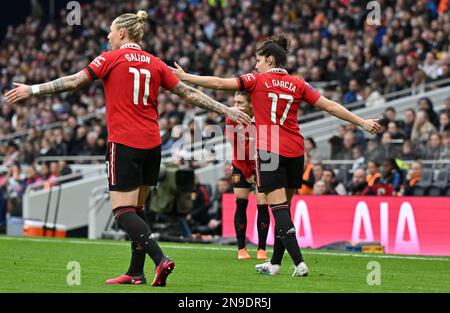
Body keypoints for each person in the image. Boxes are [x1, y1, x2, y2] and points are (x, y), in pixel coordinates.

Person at [5, 10, 250, 287]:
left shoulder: (110, 58)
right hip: (153, 145)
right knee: (138, 208)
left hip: (124, 143)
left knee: (122, 211)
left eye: (110, 31)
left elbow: (73, 82)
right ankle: (136, 272)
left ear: (122, 33)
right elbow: (189, 93)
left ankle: (160, 259)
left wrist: (32, 90)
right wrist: (225, 108)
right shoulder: (155, 63)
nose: (108, 36)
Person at [171, 34, 382, 277]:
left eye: (258, 60)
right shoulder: (298, 84)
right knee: (284, 210)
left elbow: (219, 83)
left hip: (270, 151)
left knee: (279, 209)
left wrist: (186, 77)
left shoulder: (255, 80)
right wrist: (361, 122)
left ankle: (299, 263)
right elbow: (331, 106)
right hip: (295, 151)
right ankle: (275, 264)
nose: (256, 64)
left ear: (270, 60)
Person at [226, 91, 269, 260]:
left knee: (262, 204)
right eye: (234, 101)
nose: (235, 106)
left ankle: (261, 249)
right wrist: (247, 172)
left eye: (240, 102)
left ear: (251, 104)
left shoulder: (261, 118)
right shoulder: (231, 118)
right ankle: (241, 249)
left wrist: (256, 170)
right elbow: (236, 148)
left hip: (261, 165)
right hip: (240, 165)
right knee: (241, 203)